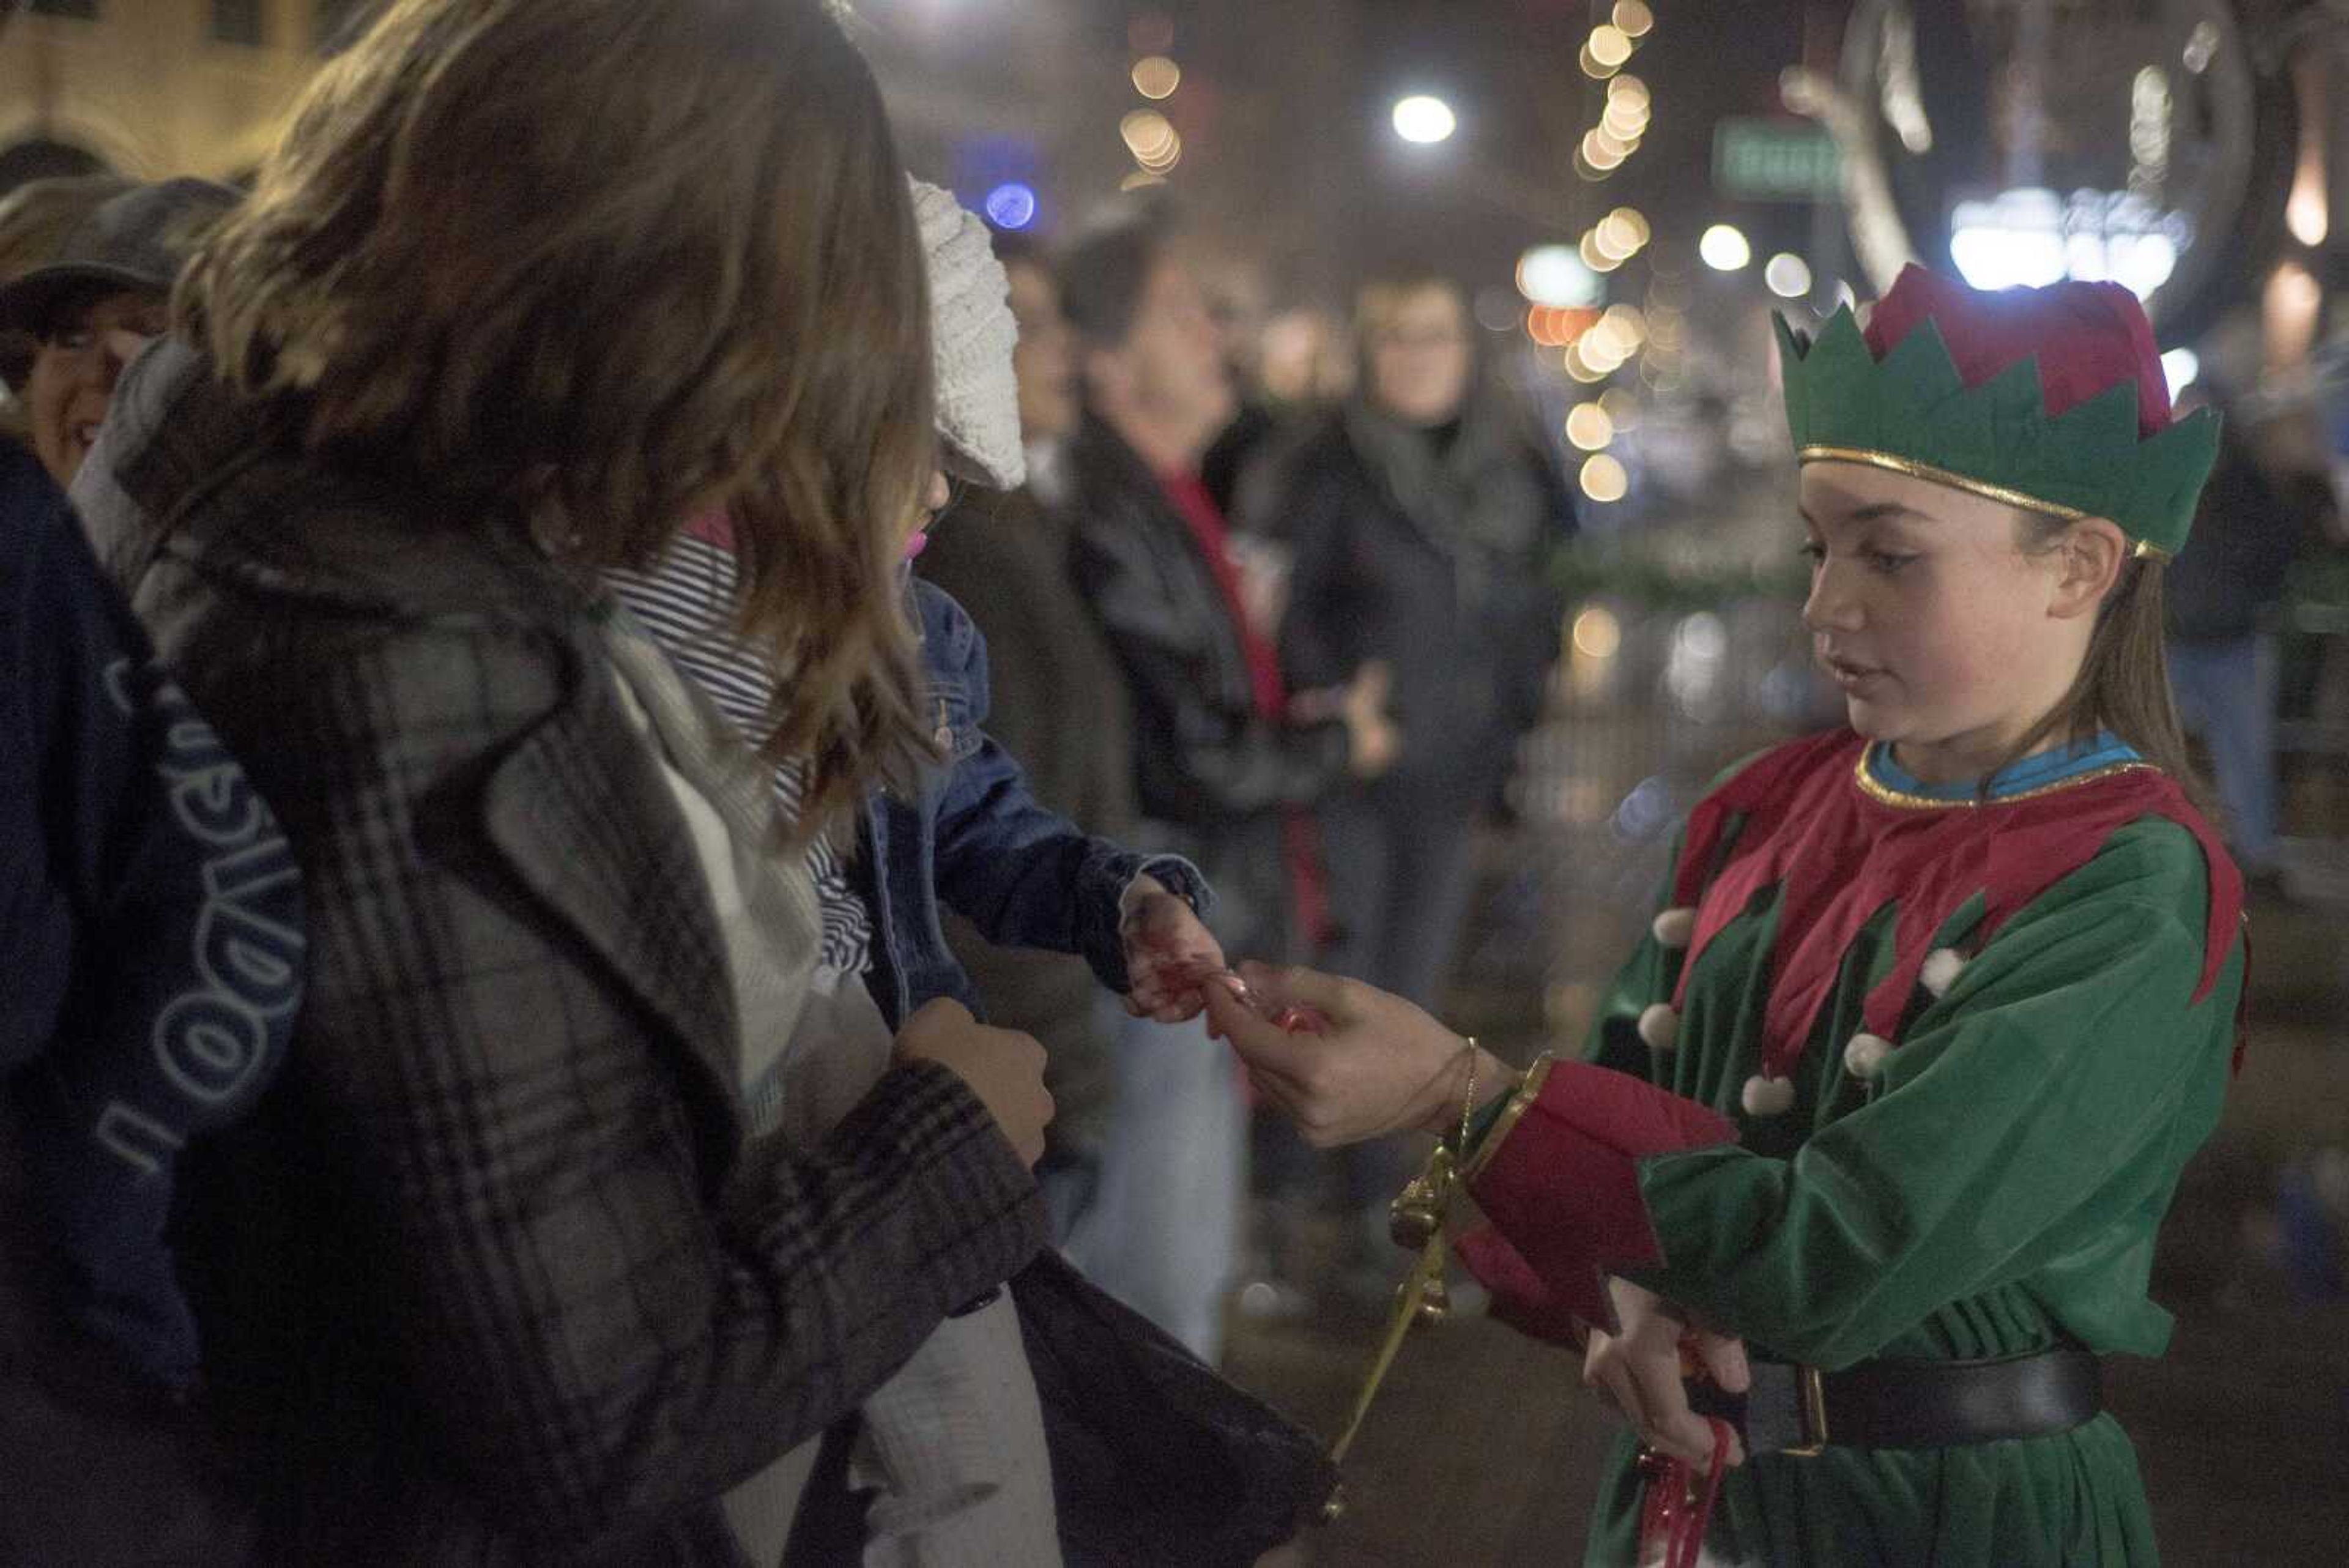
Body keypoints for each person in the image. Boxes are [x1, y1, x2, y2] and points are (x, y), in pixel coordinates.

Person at [70, 2, 1058, 1561]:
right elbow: (611, 1418)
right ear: (663, 276)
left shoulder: (225, 473)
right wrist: (943, 1142)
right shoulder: (433, 680)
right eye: (805, 283)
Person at [1208, 265, 2244, 1567]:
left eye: (1891, 555)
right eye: (1821, 549)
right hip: (1698, 1501)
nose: (1823, 607)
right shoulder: (1775, 803)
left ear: (2080, 566)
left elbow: (1839, 1248)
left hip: (1948, 1524)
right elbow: (1618, 1099)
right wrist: (1621, 1304)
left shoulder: (2130, 884)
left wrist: (1455, 1095)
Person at [606, 177, 1223, 1565]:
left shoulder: (907, 632)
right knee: (736, 1486)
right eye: (921, 447)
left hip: (885, 1084)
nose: (945, 491)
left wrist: (1116, 899)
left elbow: (979, 821)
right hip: (720, 1120)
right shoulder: (603, 610)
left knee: (975, 1461)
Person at [1057, 209, 1395, 1357]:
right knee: (1158, 1285)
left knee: (1179, 1262)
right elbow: (1190, 752)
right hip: (1157, 937)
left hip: (1190, 921)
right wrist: (1336, 746)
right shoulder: (1106, 515)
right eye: (1180, 314)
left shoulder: (1163, 497)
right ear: (1104, 360)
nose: (1215, 335)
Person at [1247, 271, 1573, 1300]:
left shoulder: (1510, 462)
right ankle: (1291, 1218)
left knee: (1414, 989)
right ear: (1364, 349)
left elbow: (1538, 598)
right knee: (1339, 983)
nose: (1416, 356)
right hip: (1353, 772)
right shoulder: (1323, 465)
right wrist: (1339, 704)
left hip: (1455, 770)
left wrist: (1517, 714)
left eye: (1433, 334)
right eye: (1393, 337)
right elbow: (1280, 608)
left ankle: (1379, 1219)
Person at [916, 228, 1142, 1242]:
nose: (1065, 354)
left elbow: (1005, 800)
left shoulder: (1020, 534)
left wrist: (1120, 899)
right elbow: (958, 844)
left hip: (1051, 1050)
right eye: (1026, 325)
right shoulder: (958, 561)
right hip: (1013, 1070)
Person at [2164, 384, 2318, 887]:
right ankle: (2163, 850)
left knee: (2243, 755)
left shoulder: (2243, 484)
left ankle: (2254, 855)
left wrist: (2248, 597)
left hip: (2230, 640)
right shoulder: (2180, 477)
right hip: (2182, 639)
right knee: (2150, 748)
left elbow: (2279, 543)